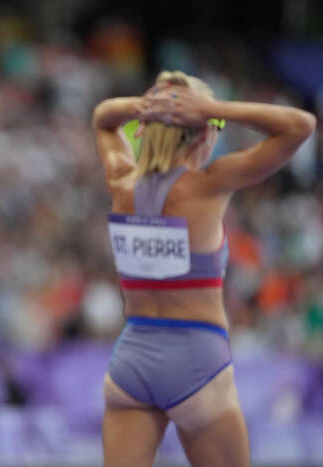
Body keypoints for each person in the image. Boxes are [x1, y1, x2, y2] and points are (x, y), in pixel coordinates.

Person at [92, 71, 316, 466]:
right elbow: (301, 125)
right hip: (197, 361)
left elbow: (103, 118)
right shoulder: (210, 184)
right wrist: (213, 108)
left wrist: (144, 106)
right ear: (204, 133)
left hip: (132, 361)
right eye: (212, 124)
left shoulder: (121, 182)